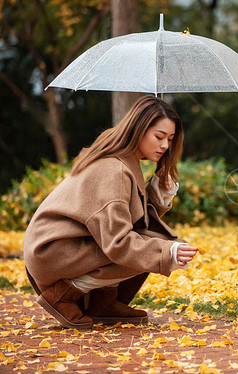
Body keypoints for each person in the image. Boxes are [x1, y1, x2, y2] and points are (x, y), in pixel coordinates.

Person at [23, 95, 201, 329]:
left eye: (170, 138)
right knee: (153, 249)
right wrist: (167, 252)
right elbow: (117, 242)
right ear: (138, 129)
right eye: (159, 137)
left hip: (65, 247)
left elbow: (134, 222)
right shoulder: (114, 169)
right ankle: (61, 295)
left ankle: (103, 303)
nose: (165, 146)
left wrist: (159, 194)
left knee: (152, 245)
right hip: (53, 252)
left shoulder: (124, 160)